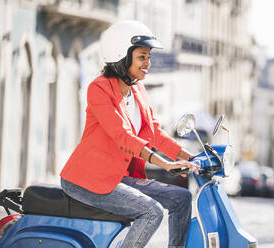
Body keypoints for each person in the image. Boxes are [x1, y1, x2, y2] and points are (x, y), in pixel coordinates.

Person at [59, 20, 199, 248]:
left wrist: (189, 156)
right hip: (87, 180)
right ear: (122, 55)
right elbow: (121, 135)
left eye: (149, 57)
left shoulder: (138, 89)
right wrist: (164, 164)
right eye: (142, 57)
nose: (148, 63)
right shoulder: (99, 88)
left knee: (181, 198)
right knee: (151, 212)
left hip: (118, 177)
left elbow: (154, 132)